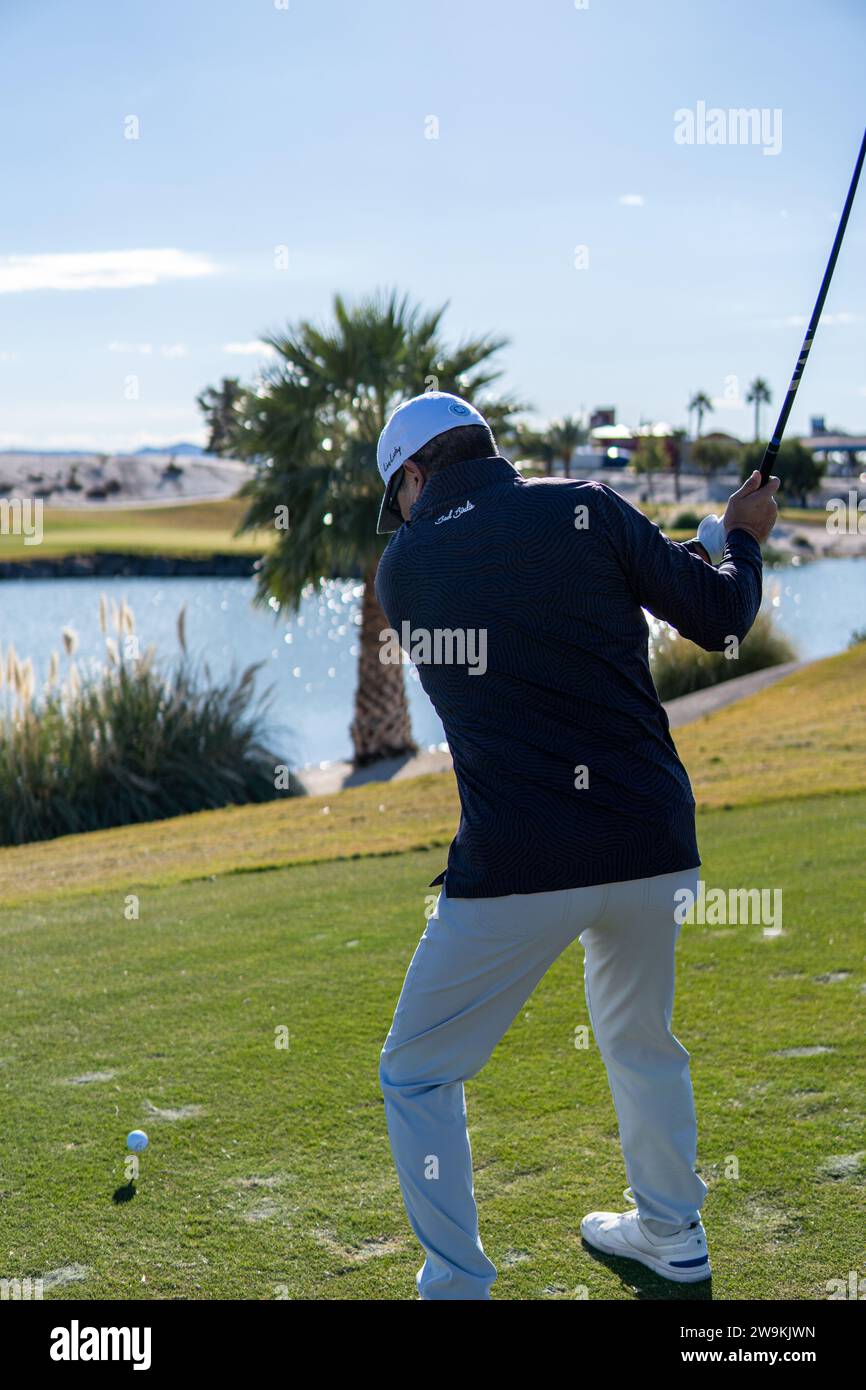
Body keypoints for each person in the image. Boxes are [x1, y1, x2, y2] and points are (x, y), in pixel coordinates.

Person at [373, 391, 779, 1300]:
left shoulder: (402, 571)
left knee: (417, 1070)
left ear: (413, 477)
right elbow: (715, 618)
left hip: (518, 864)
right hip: (651, 844)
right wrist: (740, 538)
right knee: (640, 1040)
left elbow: (525, 590)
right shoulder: (586, 506)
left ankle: (456, 1284)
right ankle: (672, 1235)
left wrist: (710, 538)